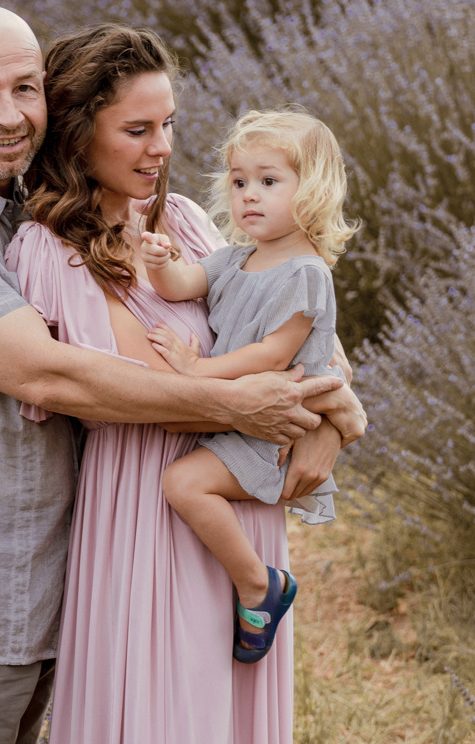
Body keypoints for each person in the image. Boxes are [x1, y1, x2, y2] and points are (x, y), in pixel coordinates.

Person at [0, 5, 362, 744]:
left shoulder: (176, 222)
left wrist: (336, 415)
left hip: (96, 563)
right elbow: (67, 381)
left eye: (25, 89)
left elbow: (291, 316)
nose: (9, 114)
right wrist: (255, 408)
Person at [8, 25, 359, 744]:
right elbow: (109, 386)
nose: (161, 147)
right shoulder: (44, 250)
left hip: (230, 505)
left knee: (224, 737)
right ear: (77, 131)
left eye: (168, 124)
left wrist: (333, 423)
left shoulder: (198, 229)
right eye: (136, 129)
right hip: (138, 511)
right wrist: (251, 395)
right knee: (154, 739)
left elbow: (310, 341)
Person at [140, 108, 352, 665]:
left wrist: (194, 372)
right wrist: (158, 263)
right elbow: (185, 282)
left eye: (268, 181)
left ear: (313, 192)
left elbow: (272, 356)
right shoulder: (235, 259)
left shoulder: (306, 272)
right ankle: (252, 584)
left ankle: (259, 585)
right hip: (237, 411)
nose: (248, 196)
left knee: (184, 485)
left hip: (269, 428)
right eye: (238, 182)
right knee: (184, 485)